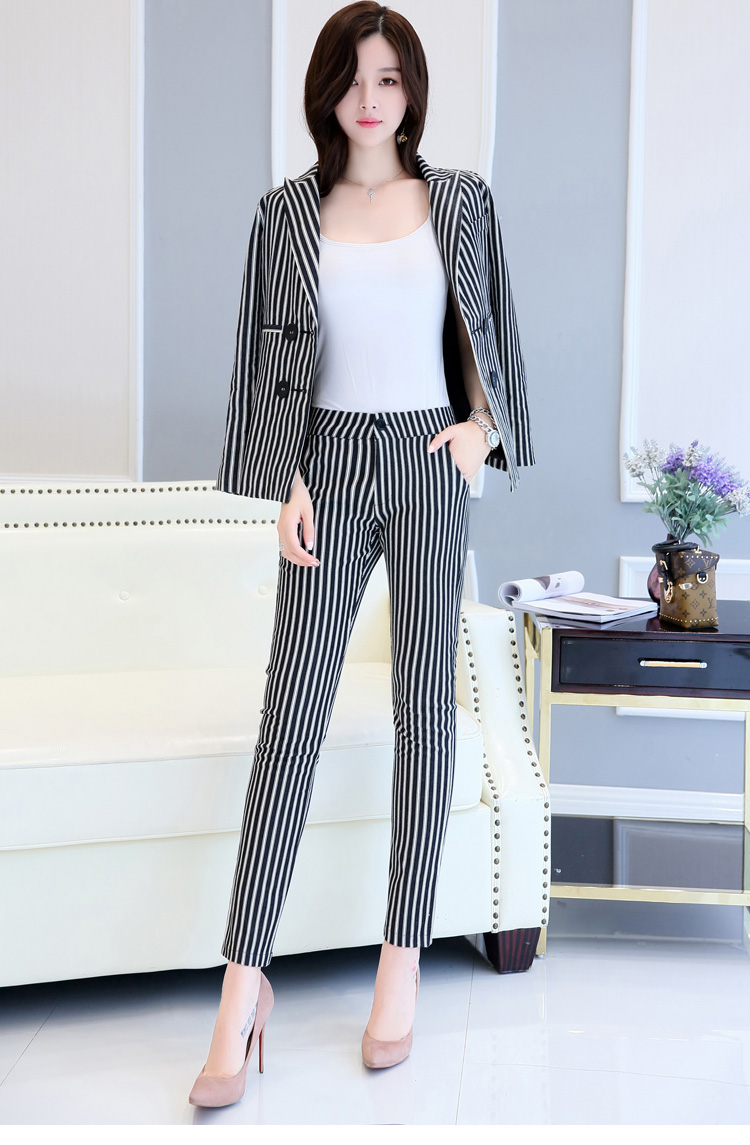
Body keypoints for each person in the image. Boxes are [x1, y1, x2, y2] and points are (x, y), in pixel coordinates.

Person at [189, 0, 534, 1108]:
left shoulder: (462, 201)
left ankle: (401, 957)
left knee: (425, 710)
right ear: (327, 91)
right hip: (328, 463)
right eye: (353, 77)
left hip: (429, 458)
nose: (370, 98)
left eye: (389, 78)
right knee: (289, 716)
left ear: (412, 90)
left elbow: (494, 330)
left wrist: (481, 431)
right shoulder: (286, 214)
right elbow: (261, 364)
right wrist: (283, 478)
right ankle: (242, 988)